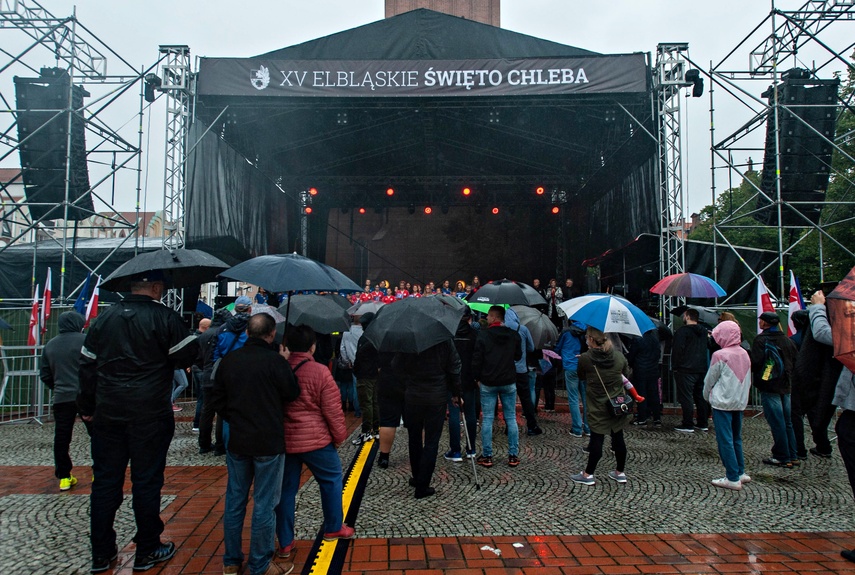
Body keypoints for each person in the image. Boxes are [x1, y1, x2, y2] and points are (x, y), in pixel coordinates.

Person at [78, 270, 199, 573]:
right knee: (147, 481)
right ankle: (148, 548)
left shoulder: (104, 320)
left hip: (109, 411)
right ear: (156, 287)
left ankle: (101, 553)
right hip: (149, 412)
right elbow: (187, 356)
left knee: (105, 482)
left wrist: (87, 406)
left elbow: (87, 366)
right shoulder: (165, 318)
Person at [210, 314, 300, 575]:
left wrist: (235, 418)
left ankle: (231, 561)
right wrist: (284, 363)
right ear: (271, 335)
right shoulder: (275, 362)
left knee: (235, 500)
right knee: (264, 503)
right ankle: (260, 563)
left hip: (238, 437)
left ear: (248, 334)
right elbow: (292, 393)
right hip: (268, 440)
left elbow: (217, 398)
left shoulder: (230, 361)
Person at [275, 325, 352, 560]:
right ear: (312, 346)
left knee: (286, 490)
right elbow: (332, 409)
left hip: (285, 439)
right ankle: (333, 526)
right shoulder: (319, 371)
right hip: (316, 439)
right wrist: (339, 437)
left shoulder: (277, 368)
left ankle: (285, 542)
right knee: (331, 481)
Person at [394, 338, 462, 498]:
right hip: (436, 396)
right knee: (431, 441)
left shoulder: (407, 340)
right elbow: (455, 366)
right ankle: (423, 485)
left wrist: (407, 382)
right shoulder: (443, 339)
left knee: (414, 437)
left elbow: (396, 366)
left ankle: (418, 478)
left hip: (413, 395)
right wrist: (456, 392)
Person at [572, 327, 632, 486]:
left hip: (597, 404)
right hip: (617, 403)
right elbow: (625, 374)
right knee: (618, 438)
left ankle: (588, 474)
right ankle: (620, 472)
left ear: (591, 339)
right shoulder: (619, 357)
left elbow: (581, 376)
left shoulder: (585, 358)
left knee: (597, 439)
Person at [40, 310, 91, 491]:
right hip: (87, 396)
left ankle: (64, 476)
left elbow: (45, 374)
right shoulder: (86, 341)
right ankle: (99, 470)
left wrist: (58, 387)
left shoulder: (50, 345)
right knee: (98, 434)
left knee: (62, 438)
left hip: (62, 397)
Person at [703, 319, 752, 490]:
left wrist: (707, 395)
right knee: (736, 438)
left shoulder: (720, 355)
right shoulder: (744, 353)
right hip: (739, 402)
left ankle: (732, 477)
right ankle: (739, 471)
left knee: (725, 440)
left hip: (723, 402)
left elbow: (710, 379)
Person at [472, 305, 522, 468]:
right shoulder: (513, 335)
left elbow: (477, 359)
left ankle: (487, 456)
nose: (486, 318)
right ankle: (513, 455)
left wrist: (476, 377)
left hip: (488, 381)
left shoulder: (483, 335)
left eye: (488, 316)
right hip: (508, 380)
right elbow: (518, 355)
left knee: (487, 419)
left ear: (494, 317)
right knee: (511, 418)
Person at [750, 311, 799, 468]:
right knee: (787, 422)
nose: (759, 323)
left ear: (765, 323)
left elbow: (756, 362)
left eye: (761, 321)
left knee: (777, 421)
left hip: (770, 385)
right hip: (786, 385)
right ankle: (793, 454)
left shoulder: (761, 340)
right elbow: (795, 361)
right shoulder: (787, 340)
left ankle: (782, 456)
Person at [445, 308, 478, 461]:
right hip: (469, 379)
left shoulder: (450, 335)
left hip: (453, 379)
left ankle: (455, 450)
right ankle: (471, 448)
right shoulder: (475, 335)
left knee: (454, 414)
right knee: (470, 414)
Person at [671, 308, 711, 433]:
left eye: (684, 315)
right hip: (701, 368)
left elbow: (678, 350)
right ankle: (702, 422)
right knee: (700, 397)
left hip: (685, 369)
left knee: (686, 397)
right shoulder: (704, 331)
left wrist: (675, 366)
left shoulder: (682, 332)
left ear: (687, 316)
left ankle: (688, 423)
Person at [504, 308, 542, 436]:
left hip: (507, 370)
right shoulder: (523, 329)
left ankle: (509, 426)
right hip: (521, 369)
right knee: (525, 399)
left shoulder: (503, 329)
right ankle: (531, 426)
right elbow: (531, 348)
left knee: (508, 399)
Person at [198, 309, 229, 455]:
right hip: (219, 376)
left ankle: (203, 443)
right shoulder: (223, 334)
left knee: (207, 411)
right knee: (222, 411)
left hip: (206, 374)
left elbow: (198, 357)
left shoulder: (204, 335)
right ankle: (220, 444)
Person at [555, 321, 589, 437]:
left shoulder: (566, 332)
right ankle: (588, 428)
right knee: (586, 398)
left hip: (570, 366)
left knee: (573, 398)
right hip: (584, 366)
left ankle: (577, 428)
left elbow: (558, 348)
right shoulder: (587, 331)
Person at [352, 313, 380, 444]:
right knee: (374, 403)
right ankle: (376, 430)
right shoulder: (377, 337)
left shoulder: (365, 339)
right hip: (375, 374)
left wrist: (356, 370)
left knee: (366, 404)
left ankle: (366, 432)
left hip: (364, 375)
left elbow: (359, 357)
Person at [627, 327, 662, 426]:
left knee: (641, 394)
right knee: (654, 394)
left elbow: (632, 356)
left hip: (640, 370)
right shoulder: (655, 340)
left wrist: (631, 364)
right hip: (653, 370)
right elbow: (658, 354)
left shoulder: (637, 339)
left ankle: (642, 417)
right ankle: (657, 418)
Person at [376, 351, 404, 468]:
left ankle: (384, 457)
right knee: (416, 421)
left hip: (387, 381)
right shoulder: (415, 336)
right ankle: (419, 454)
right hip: (410, 381)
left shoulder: (385, 337)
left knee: (387, 421)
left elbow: (377, 364)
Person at [337, 317, 361, 416]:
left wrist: (347, 361)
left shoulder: (347, 332)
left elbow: (342, 348)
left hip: (352, 362)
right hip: (364, 362)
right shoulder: (365, 331)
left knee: (355, 386)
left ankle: (357, 410)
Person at [191, 318, 211, 431]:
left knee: (200, 398)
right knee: (202, 399)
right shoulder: (202, 338)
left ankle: (197, 423)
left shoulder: (193, 336)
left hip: (196, 367)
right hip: (201, 368)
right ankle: (197, 423)